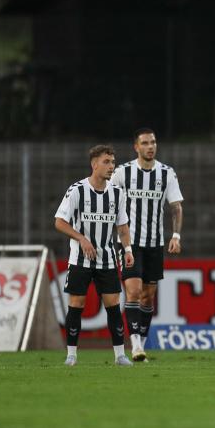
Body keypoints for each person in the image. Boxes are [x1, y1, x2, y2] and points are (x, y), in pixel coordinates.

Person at [54, 145, 134, 366]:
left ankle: (119, 356)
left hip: (107, 258)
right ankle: (71, 355)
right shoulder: (77, 190)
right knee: (76, 304)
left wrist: (127, 250)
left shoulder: (117, 193)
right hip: (79, 259)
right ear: (94, 164)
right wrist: (81, 238)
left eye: (113, 162)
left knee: (113, 306)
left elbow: (123, 226)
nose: (111, 167)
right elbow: (59, 222)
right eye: (106, 162)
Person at [111, 128, 184, 362]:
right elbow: (108, 202)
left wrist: (176, 236)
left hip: (154, 243)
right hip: (129, 244)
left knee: (148, 297)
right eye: (145, 143)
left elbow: (176, 207)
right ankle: (135, 346)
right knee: (132, 292)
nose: (150, 146)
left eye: (153, 142)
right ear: (136, 147)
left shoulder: (166, 173)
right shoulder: (123, 172)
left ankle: (141, 341)